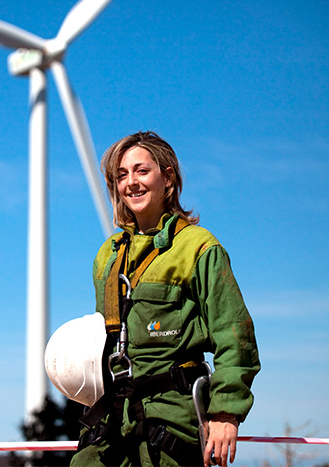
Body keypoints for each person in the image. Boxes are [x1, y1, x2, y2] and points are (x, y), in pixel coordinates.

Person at [70, 131, 260, 467]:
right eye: (122, 175)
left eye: (142, 171)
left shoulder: (199, 248)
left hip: (171, 419)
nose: (131, 182)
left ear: (167, 177)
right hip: (114, 417)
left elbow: (235, 335)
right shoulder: (108, 257)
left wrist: (226, 413)